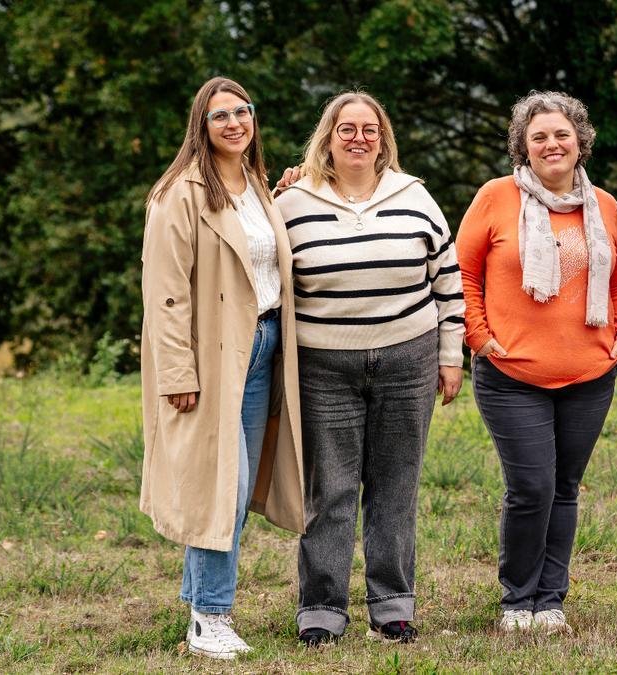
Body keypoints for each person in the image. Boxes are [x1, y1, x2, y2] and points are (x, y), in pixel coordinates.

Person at [274, 91, 465, 646]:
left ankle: (392, 605)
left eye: (369, 129)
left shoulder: (415, 197)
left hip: (408, 356)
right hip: (323, 364)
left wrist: (450, 356)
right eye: (346, 128)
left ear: (383, 139)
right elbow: (259, 261)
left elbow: (447, 281)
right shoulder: (291, 203)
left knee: (394, 486)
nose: (358, 138)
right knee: (329, 489)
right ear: (327, 138)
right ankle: (322, 609)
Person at [455, 91, 617, 635]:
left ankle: (551, 598)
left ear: (580, 141)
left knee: (565, 487)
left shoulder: (602, 205)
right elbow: (460, 275)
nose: (552, 144)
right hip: (511, 374)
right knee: (531, 486)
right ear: (524, 147)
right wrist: (479, 337)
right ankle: (517, 598)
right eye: (539, 137)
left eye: (561, 134)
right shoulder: (495, 198)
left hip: (589, 374)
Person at [140, 76, 304, 660]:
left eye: (243, 111)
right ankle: (210, 616)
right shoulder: (178, 194)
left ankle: (198, 604)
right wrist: (177, 372)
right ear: (200, 127)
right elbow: (164, 295)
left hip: (263, 347)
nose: (235, 122)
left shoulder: (258, 186)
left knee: (230, 487)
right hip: (211, 359)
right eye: (220, 116)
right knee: (223, 490)